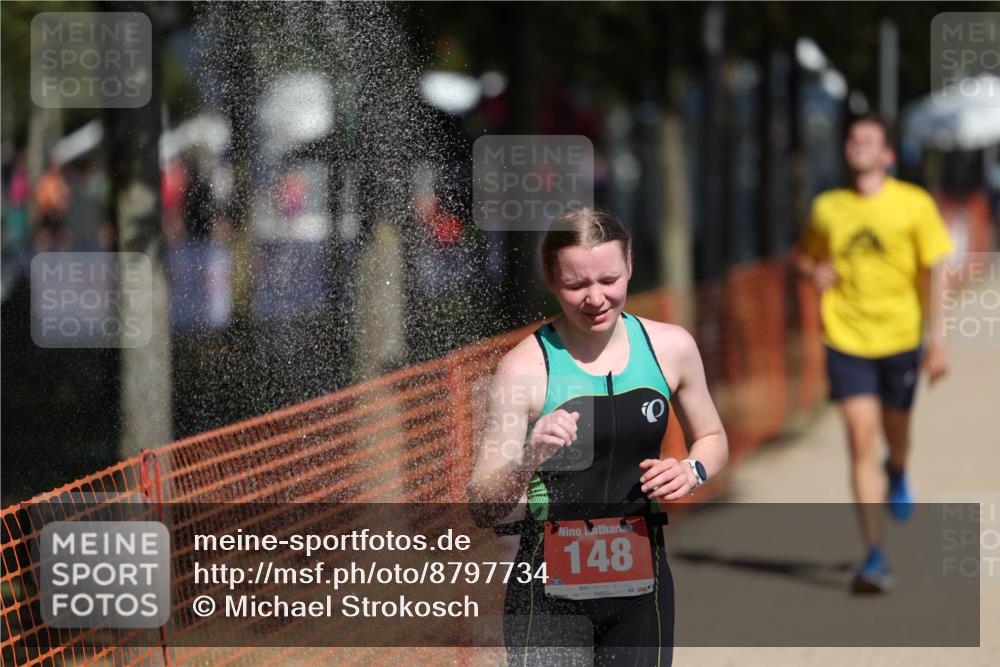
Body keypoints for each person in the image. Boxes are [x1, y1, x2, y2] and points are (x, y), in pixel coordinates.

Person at [467, 207, 728, 666]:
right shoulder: (524, 370)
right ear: (550, 277)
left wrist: (692, 469)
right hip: (547, 593)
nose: (595, 298)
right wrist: (529, 458)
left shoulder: (671, 348)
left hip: (640, 585)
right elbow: (483, 506)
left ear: (629, 264)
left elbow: (711, 436)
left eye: (609, 279)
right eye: (576, 285)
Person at [796, 114, 953, 593]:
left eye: (868, 139)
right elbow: (804, 255)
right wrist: (813, 272)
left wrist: (937, 341)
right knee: (860, 441)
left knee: (895, 435)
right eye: (852, 137)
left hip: (902, 339)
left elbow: (935, 273)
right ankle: (875, 556)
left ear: (887, 154)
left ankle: (899, 470)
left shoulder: (914, 204)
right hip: (846, 339)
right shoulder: (828, 207)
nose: (858, 144)